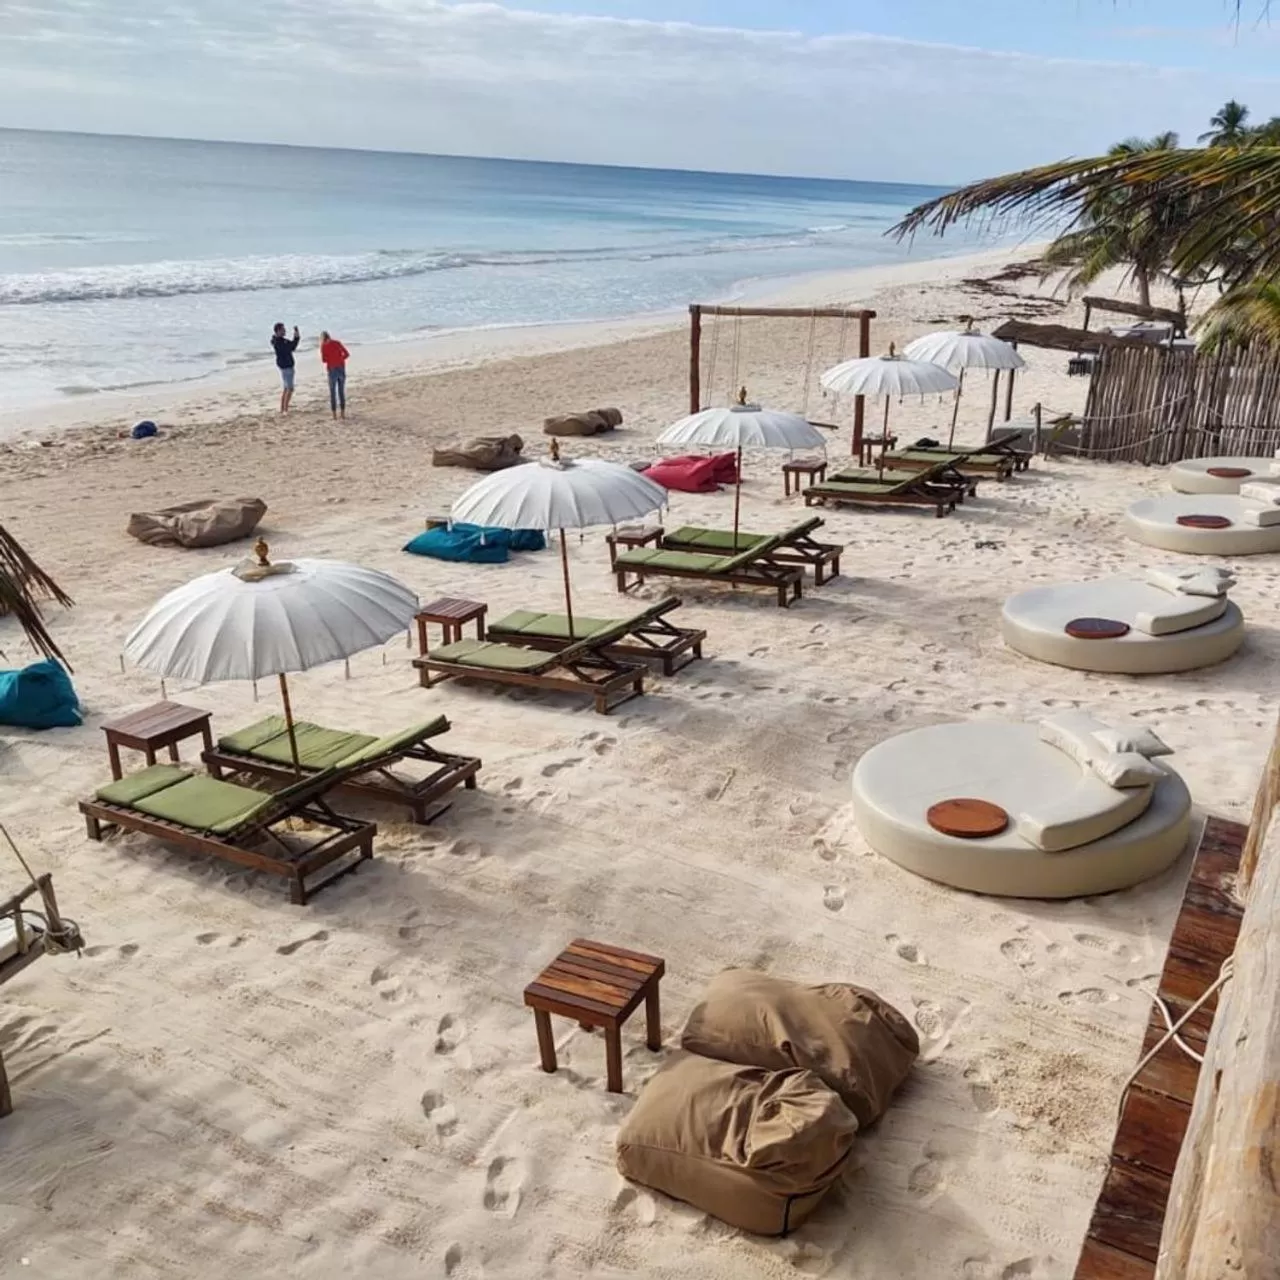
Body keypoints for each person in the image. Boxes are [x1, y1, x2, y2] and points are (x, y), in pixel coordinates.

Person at [320, 330, 350, 420]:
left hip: (332, 369)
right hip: (341, 367)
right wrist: (340, 359)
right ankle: (342, 414)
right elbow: (347, 354)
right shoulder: (337, 343)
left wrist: (331, 360)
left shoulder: (323, 346)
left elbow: (324, 360)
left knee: (332, 392)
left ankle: (334, 415)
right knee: (341, 392)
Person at [271, 322, 300, 413]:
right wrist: (296, 338)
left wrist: (296, 337)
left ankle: (283, 408)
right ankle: (285, 410)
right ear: (278, 331)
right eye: (283, 330)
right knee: (290, 388)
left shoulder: (280, 340)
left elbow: (292, 346)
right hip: (286, 366)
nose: (284, 331)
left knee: (286, 388)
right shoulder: (278, 342)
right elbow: (290, 347)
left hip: (285, 366)